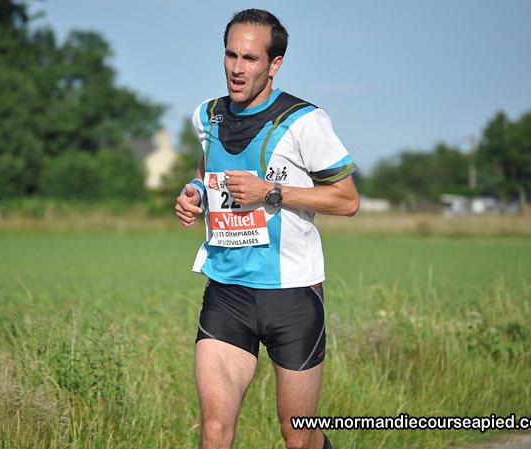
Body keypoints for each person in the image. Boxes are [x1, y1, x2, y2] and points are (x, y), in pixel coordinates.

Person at [175, 8, 359, 449]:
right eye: (230, 55)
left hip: (292, 295)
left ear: (274, 64)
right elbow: (207, 169)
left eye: (250, 58)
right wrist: (195, 191)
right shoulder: (207, 116)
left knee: (298, 436)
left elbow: (347, 200)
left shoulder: (304, 120)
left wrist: (270, 192)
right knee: (215, 429)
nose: (237, 69)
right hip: (227, 291)